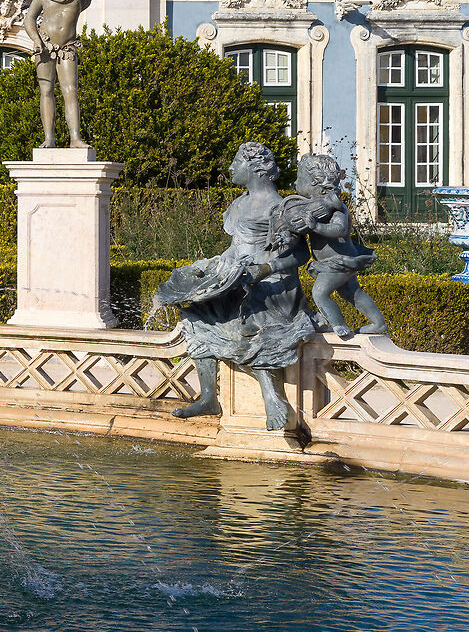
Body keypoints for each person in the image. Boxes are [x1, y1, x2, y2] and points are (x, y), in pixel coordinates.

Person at [158, 142, 320, 431]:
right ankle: (208, 396)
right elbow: (236, 248)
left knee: (249, 320)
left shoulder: (279, 207)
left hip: (273, 286)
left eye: (236, 162)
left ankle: (272, 396)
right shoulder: (239, 204)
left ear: (256, 169)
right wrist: (209, 270)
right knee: (195, 311)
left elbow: (300, 254)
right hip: (237, 277)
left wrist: (264, 269)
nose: (231, 168)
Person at [18, 0, 120, 153]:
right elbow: (29, 20)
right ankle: (49, 139)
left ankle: (75, 138)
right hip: (44, 46)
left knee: (70, 90)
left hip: (67, 47)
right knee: (46, 91)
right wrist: (36, 40)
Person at [293, 154, 387, 337]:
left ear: (315, 183)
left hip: (339, 262)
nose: (295, 183)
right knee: (353, 293)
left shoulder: (335, 207)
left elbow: (340, 229)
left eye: (299, 178)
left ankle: (339, 325)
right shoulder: (315, 207)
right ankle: (378, 323)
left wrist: (316, 226)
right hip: (335, 262)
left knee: (320, 293)